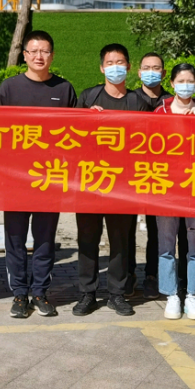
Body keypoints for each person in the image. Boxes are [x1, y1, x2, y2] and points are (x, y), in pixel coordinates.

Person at [0, 30, 77, 318]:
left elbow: (75, 134)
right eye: (33, 51)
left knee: (44, 239)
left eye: (45, 51)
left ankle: (40, 292)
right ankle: (19, 294)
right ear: (25, 55)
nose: (39, 56)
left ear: (52, 56)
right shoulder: (9, 88)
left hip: (49, 179)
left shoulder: (64, 89)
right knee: (15, 239)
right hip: (15, 179)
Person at [74, 43, 147, 317]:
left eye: (120, 63)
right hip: (90, 182)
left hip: (123, 184)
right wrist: (86, 121)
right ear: (102, 68)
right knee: (87, 239)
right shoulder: (88, 97)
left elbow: (148, 140)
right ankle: (87, 293)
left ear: (128, 67)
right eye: (110, 63)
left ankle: (117, 294)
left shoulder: (138, 101)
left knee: (120, 241)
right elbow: (71, 136)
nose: (115, 67)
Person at [153, 63, 195, 320]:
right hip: (167, 187)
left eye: (190, 81)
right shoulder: (160, 111)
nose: (185, 86)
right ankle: (171, 295)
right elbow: (151, 145)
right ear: (172, 83)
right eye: (181, 81)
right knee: (166, 244)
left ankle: (192, 295)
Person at [133, 51, 171, 298]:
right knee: (127, 227)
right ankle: (130, 275)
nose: (151, 72)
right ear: (138, 72)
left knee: (159, 228)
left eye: (156, 68)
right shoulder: (130, 99)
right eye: (146, 68)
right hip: (133, 171)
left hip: (163, 173)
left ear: (164, 73)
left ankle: (154, 275)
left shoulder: (172, 101)